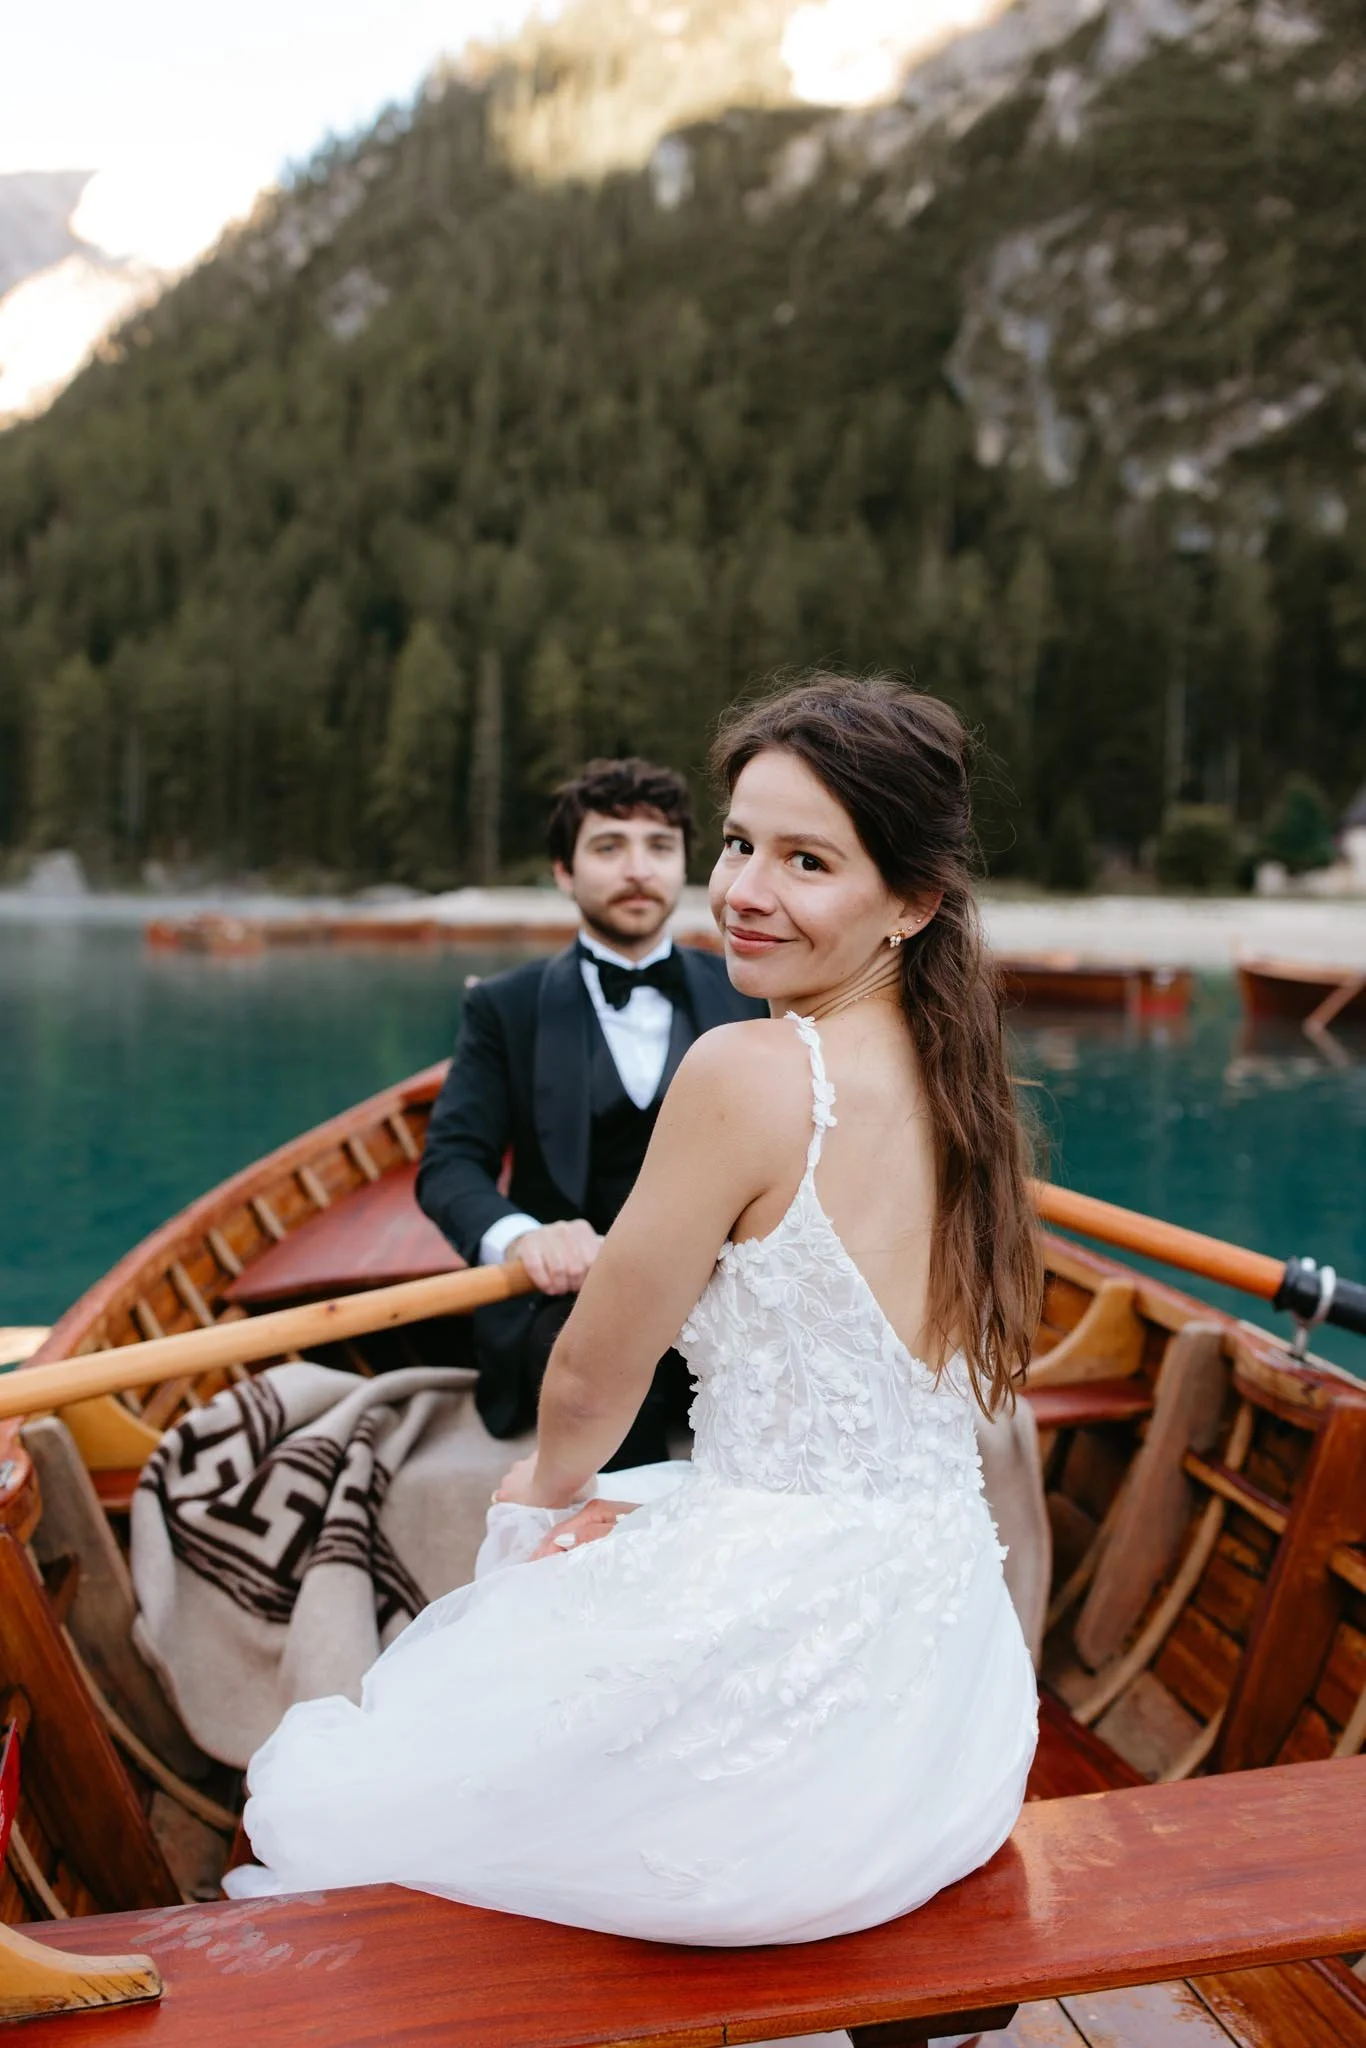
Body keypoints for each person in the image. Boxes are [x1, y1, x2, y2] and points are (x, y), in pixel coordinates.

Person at [227, 677, 1042, 1952]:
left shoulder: (745, 1068)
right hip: (952, 1687)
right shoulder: (965, 1071)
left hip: (813, 1674)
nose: (744, 890)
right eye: (738, 842)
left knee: (417, 1722)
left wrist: (542, 1495)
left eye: (806, 860)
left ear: (913, 900)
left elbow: (593, 1381)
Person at [417, 756, 763, 1467]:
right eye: (610, 847)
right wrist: (520, 1238)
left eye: (659, 847)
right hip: (568, 1305)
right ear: (564, 873)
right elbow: (451, 1164)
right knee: (593, 1365)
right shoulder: (503, 1007)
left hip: (723, 1295)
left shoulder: (750, 993)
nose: (638, 869)